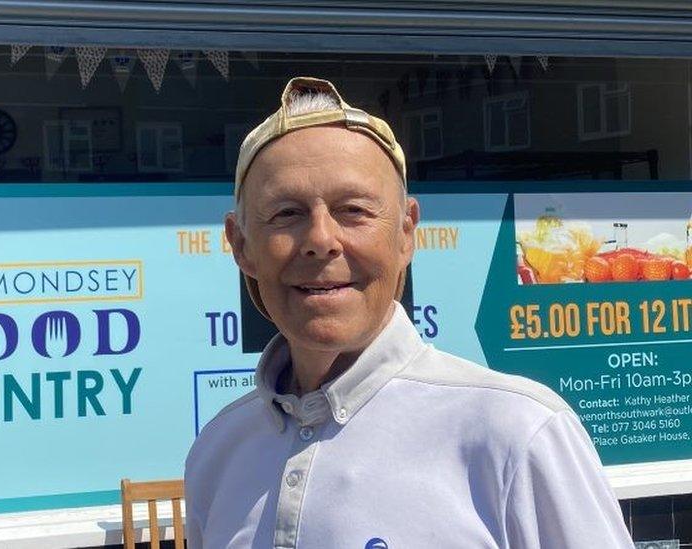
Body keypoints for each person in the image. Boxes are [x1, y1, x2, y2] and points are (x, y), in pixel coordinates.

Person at [183, 77, 632, 548]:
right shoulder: (218, 453)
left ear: (406, 233)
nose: (321, 240)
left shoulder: (516, 435)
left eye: (353, 210)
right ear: (240, 246)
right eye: (286, 214)